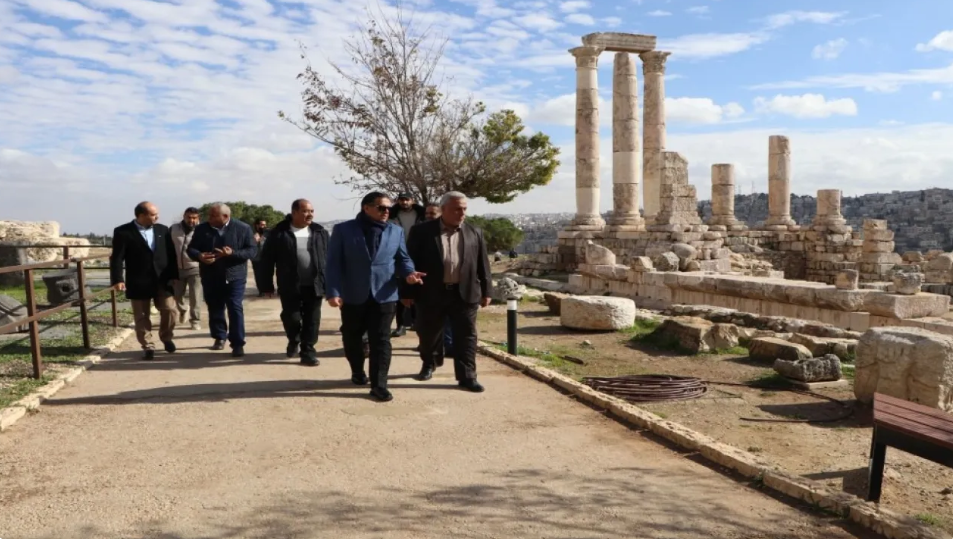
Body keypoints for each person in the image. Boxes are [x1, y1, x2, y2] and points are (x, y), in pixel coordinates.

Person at [325, 192, 425, 402]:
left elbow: (403, 258)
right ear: (366, 208)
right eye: (381, 207)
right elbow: (334, 263)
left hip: (384, 294)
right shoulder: (343, 230)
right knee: (352, 338)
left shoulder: (395, 231)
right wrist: (333, 292)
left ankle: (379, 385)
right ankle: (357, 370)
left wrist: (409, 273)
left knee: (381, 340)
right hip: (353, 294)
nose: (387, 211)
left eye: (388, 207)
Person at [403, 191, 492, 392]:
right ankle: (429, 363)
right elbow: (409, 262)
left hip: (464, 293)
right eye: (457, 209)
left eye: (464, 209)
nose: (462, 213)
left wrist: (487, 291)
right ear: (443, 210)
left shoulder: (474, 232)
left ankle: (467, 376)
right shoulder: (421, 231)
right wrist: (407, 292)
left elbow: (483, 264)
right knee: (428, 334)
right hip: (430, 293)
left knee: (467, 336)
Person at [258, 199, 329, 366]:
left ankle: (308, 351)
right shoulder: (279, 233)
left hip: (315, 284)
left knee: (312, 320)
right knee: (292, 317)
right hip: (289, 284)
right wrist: (266, 285)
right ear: (294, 212)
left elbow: (330, 258)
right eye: (305, 211)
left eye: (311, 211)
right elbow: (267, 260)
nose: (310, 214)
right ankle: (294, 339)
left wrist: (332, 284)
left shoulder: (320, 232)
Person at [109, 201, 179, 360]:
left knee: (169, 309)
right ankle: (148, 346)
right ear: (141, 215)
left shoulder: (162, 230)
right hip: (138, 279)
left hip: (162, 279)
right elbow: (117, 258)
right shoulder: (123, 231)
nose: (157, 217)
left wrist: (174, 275)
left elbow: (171, 254)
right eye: (153, 214)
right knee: (141, 315)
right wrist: (118, 279)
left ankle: (166, 337)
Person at [186, 202, 257, 357]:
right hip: (210, 275)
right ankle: (219, 337)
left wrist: (232, 254)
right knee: (215, 307)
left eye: (213, 216)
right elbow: (191, 249)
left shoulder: (243, 228)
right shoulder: (202, 229)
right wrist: (200, 256)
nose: (209, 218)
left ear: (225, 216)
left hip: (235, 276)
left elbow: (252, 251)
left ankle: (237, 343)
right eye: (209, 215)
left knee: (235, 307)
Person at [414, 202, 453, 365]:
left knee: (448, 322)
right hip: (427, 288)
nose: (429, 216)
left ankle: (448, 347)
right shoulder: (419, 232)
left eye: (433, 213)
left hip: (451, 287)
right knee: (427, 326)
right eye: (427, 213)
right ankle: (429, 361)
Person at [388, 192, 426, 337]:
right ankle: (401, 325)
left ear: (412, 200)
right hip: (398, 255)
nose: (404, 202)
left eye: (406, 199)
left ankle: (417, 322)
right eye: (401, 200)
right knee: (401, 292)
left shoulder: (422, 214)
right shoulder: (391, 215)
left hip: (419, 254)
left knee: (419, 288)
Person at [169, 207, 202, 330]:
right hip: (177, 268)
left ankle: (195, 321)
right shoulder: (174, 229)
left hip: (195, 268)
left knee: (195, 297)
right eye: (189, 217)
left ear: (198, 218)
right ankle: (183, 309)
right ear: (184, 216)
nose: (191, 220)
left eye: (194, 218)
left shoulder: (202, 230)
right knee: (177, 295)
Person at [251, 218, 273, 297]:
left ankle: (269, 290)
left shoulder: (268, 233)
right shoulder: (251, 234)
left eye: (264, 224)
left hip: (267, 258)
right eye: (262, 225)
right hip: (256, 258)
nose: (263, 226)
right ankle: (261, 291)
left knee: (268, 274)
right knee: (258, 275)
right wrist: (254, 241)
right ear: (257, 225)